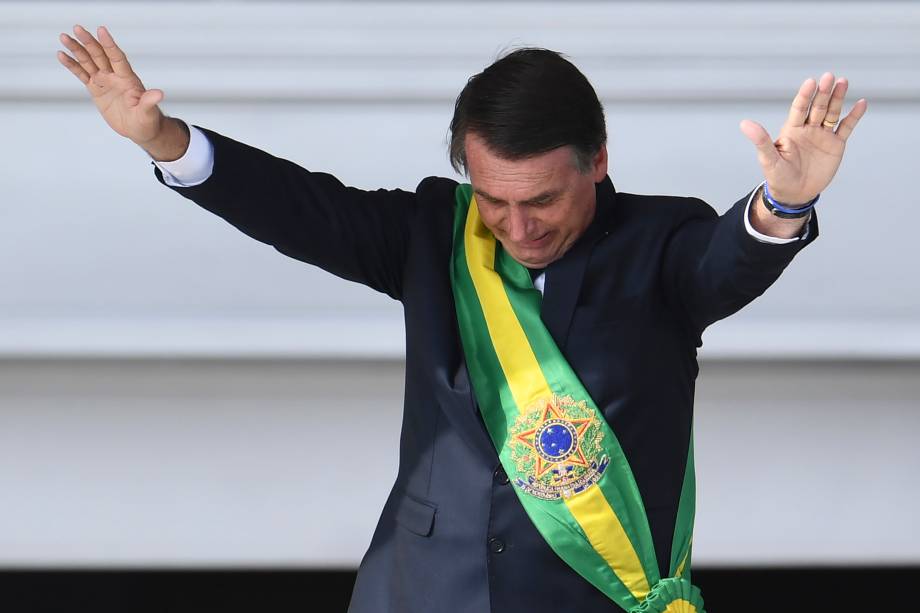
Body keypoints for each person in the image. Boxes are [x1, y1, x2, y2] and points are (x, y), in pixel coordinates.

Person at [57, 23, 866, 613]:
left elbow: (728, 259)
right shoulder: (434, 237)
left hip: (590, 594)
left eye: (544, 199)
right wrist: (162, 139)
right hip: (422, 589)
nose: (517, 227)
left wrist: (785, 200)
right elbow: (300, 208)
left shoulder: (659, 243)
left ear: (600, 160)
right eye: (494, 199)